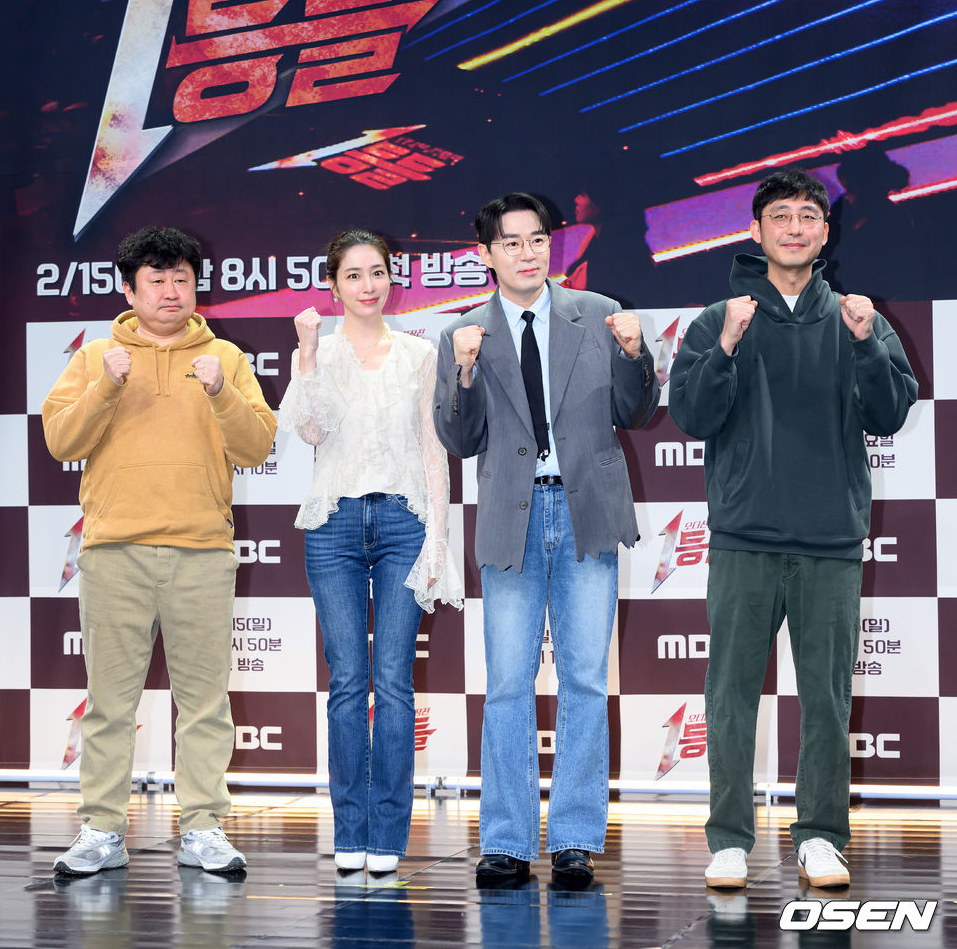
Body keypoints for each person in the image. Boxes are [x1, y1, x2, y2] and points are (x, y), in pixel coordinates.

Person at [668, 171, 916, 891]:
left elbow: (890, 413)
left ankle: (820, 837)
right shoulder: (720, 317)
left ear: (825, 231)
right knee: (729, 696)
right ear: (757, 230)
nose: (795, 228)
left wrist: (868, 345)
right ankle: (728, 841)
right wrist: (725, 346)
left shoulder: (856, 315)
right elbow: (691, 415)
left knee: (827, 701)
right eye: (781, 215)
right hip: (744, 537)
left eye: (809, 215)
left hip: (829, 539)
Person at [432, 192, 659, 883]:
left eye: (537, 239)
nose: (527, 253)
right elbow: (459, 438)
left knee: (586, 678)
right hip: (514, 515)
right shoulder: (464, 331)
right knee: (507, 682)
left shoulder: (598, 312)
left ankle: (575, 838)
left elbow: (636, 410)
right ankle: (505, 839)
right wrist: (465, 371)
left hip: (586, 508)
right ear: (486, 253)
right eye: (511, 242)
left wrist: (635, 355)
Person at [43, 227, 278, 877]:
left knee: (204, 703)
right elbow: (61, 441)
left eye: (181, 279)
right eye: (156, 280)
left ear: (197, 286)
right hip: (113, 551)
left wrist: (220, 392)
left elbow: (257, 446)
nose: (171, 291)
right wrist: (107, 386)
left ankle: (203, 827)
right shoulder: (97, 357)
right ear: (129, 289)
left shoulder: (225, 357)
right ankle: (101, 829)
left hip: (201, 551)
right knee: (108, 703)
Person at [278, 229, 462, 876]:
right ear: (333, 286)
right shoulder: (317, 352)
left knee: (394, 680)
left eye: (376, 272)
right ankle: (349, 829)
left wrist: (438, 536)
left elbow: (433, 449)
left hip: (404, 523)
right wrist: (306, 351)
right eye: (353, 274)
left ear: (392, 279)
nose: (367, 285)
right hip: (333, 525)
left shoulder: (419, 353)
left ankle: (387, 835)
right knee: (348, 681)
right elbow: (308, 429)